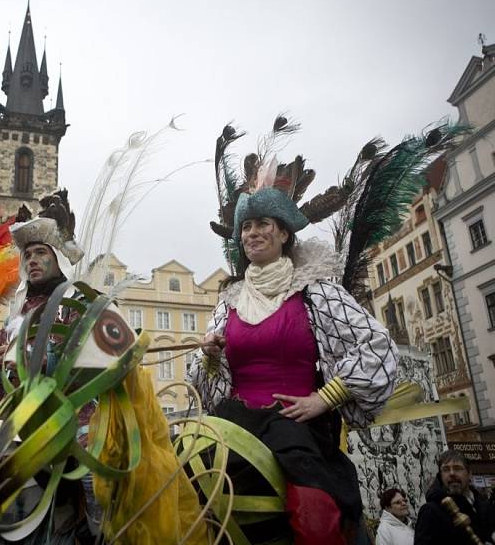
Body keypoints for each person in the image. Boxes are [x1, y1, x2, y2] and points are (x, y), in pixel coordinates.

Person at [189, 125, 399, 545]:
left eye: (262, 223)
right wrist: (211, 354)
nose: (252, 233)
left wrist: (325, 397)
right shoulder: (228, 302)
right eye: (246, 226)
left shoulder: (315, 290)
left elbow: (377, 347)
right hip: (236, 427)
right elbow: (205, 384)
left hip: (295, 428)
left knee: (314, 507)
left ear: (284, 233)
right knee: (191, 480)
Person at [0, 189, 96, 544]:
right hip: (22, 436)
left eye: (40, 252)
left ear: (58, 258)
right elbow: (2, 387)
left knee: (95, 502)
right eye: (27, 255)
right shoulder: (14, 320)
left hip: (74, 433)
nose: (32, 261)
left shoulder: (79, 304)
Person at [414, 450, 495, 544]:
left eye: (457, 468)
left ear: (469, 474)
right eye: (446, 469)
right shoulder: (431, 511)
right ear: (440, 476)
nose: (452, 473)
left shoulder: (486, 506)